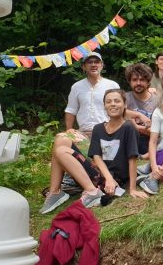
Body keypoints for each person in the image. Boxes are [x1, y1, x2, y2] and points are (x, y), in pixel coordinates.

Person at [41, 89, 147, 211]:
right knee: (61, 140)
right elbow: (96, 157)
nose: (112, 104)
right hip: (101, 174)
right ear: (104, 106)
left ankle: (92, 192)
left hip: (115, 181)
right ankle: (55, 192)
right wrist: (108, 178)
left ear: (125, 105)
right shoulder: (98, 128)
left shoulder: (128, 127)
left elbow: (132, 159)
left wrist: (132, 189)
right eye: (109, 101)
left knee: (61, 151)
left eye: (117, 101)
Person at [41, 52, 119, 213]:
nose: (93, 64)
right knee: (61, 137)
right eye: (89, 62)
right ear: (83, 67)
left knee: (60, 144)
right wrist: (69, 129)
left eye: (97, 61)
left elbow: (120, 111)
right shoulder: (77, 87)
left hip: (105, 133)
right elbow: (71, 110)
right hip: (83, 134)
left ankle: (68, 189)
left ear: (102, 65)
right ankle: (56, 191)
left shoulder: (112, 85)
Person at [124, 63, 160, 155]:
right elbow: (118, 114)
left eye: (142, 80)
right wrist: (139, 115)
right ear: (130, 81)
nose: (138, 83)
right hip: (128, 140)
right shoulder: (124, 98)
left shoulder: (158, 101)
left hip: (151, 141)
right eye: (135, 80)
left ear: (148, 82)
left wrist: (136, 127)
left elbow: (160, 131)